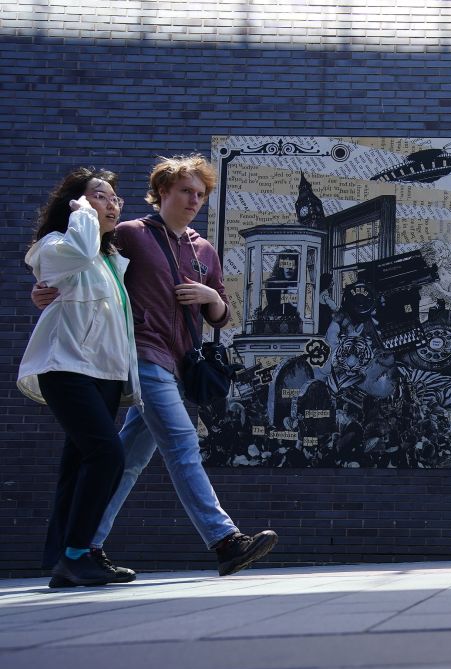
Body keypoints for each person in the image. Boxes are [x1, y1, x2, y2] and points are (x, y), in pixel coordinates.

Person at [33, 155, 277, 580]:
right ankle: (224, 540)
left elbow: (221, 315)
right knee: (182, 441)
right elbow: (85, 262)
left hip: (180, 363)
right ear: (162, 192)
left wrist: (210, 297)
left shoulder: (204, 250)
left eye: (200, 194)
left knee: (125, 460)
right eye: (185, 190)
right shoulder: (131, 234)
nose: (194, 200)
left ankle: (82, 548)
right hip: (141, 355)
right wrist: (46, 289)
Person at [18, 168, 140, 587]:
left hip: (103, 374)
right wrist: (83, 213)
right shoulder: (54, 246)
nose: (112, 204)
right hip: (64, 366)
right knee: (108, 456)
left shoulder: (109, 260)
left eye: (114, 199)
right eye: (100, 197)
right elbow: (79, 252)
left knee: (78, 463)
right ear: (76, 203)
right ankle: (76, 554)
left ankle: (67, 559)